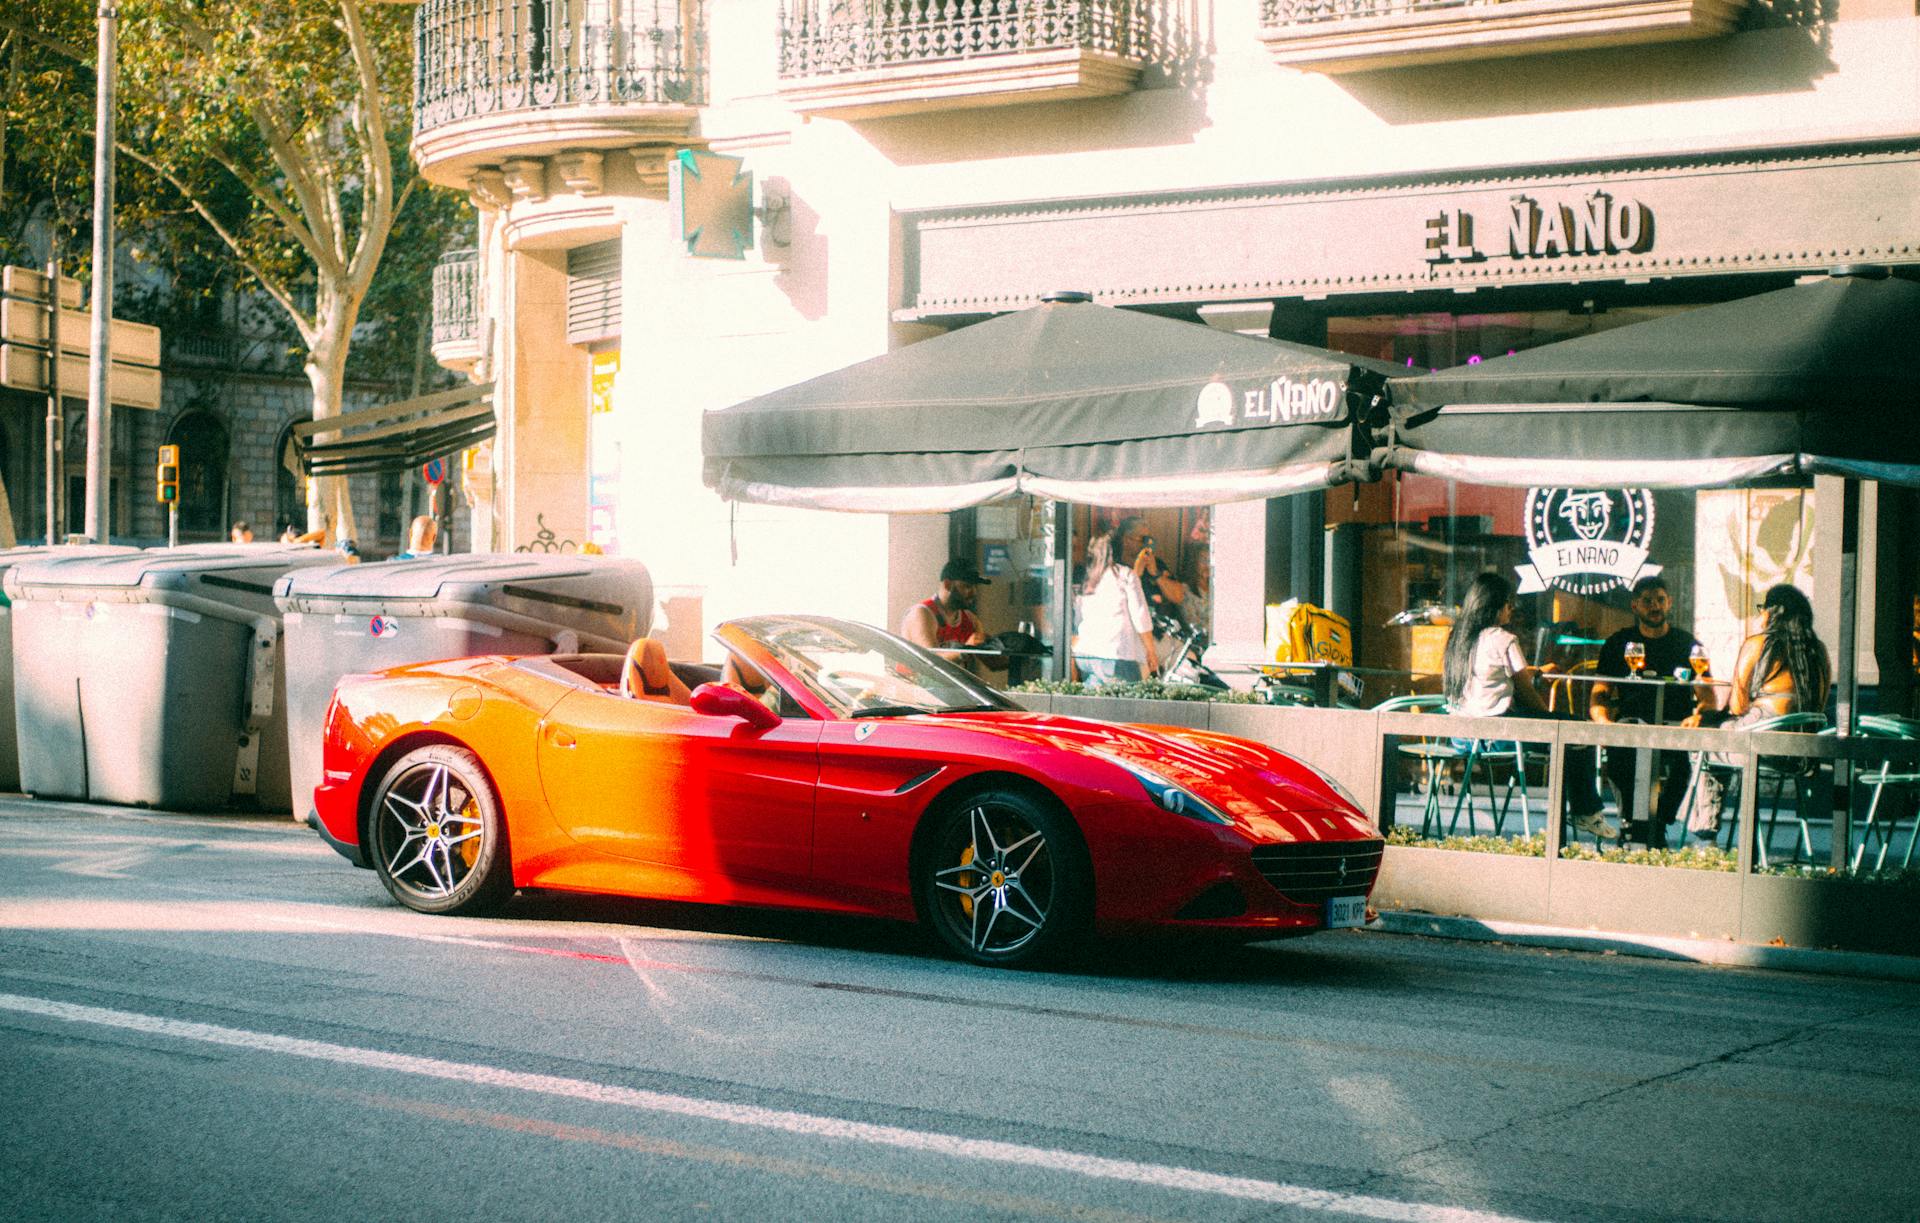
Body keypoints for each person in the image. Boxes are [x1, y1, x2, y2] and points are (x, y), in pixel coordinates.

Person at [1444, 571, 1616, 840]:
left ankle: (1582, 813)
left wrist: (1533, 671)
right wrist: (1549, 721)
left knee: (1567, 734)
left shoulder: (1458, 639)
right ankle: (1586, 813)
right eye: (1508, 603)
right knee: (1578, 731)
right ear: (1494, 606)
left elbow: (1487, 673)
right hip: (1499, 737)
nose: (1512, 608)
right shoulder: (1504, 638)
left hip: (1463, 738)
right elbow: (1526, 694)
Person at [1680, 584, 1832, 842]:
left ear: (1775, 612)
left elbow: (1737, 707)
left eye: (1762, 609)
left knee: (1702, 740)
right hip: (1801, 755)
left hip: (1761, 744)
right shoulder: (1819, 650)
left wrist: (1707, 719)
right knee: (1714, 734)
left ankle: (1705, 835)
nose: (1759, 616)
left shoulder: (1758, 644)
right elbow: (1820, 704)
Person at [1590, 575, 1712, 848]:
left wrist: (1698, 715)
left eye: (1660, 600)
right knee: (1619, 759)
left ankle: (1657, 823)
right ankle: (1634, 823)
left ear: (1669, 603)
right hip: (1630, 727)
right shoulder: (1619, 642)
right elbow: (1599, 693)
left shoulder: (1687, 644)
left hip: (1675, 728)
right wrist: (1604, 723)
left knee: (1683, 766)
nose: (1654, 606)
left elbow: (1708, 698)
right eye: (1647, 601)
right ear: (1634, 606)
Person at [1075, 517, 1159, 686]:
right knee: (1127, 705)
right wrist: (1151, 651)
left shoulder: (1088, 579)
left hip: (1086, 655)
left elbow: (1078, 619)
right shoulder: (1125, 575)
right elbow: (1140, 616)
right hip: (1116, 654)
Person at [899, 558, 1002, 672]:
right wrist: (965, 651)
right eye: (967, 586)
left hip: (948, 689)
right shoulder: (922, 613)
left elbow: (995, 665)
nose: (974, 593)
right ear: (948, 584)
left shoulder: (970, 619)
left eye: (975, 587)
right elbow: (931, 662)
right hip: (913, 687)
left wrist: (1007, 646)